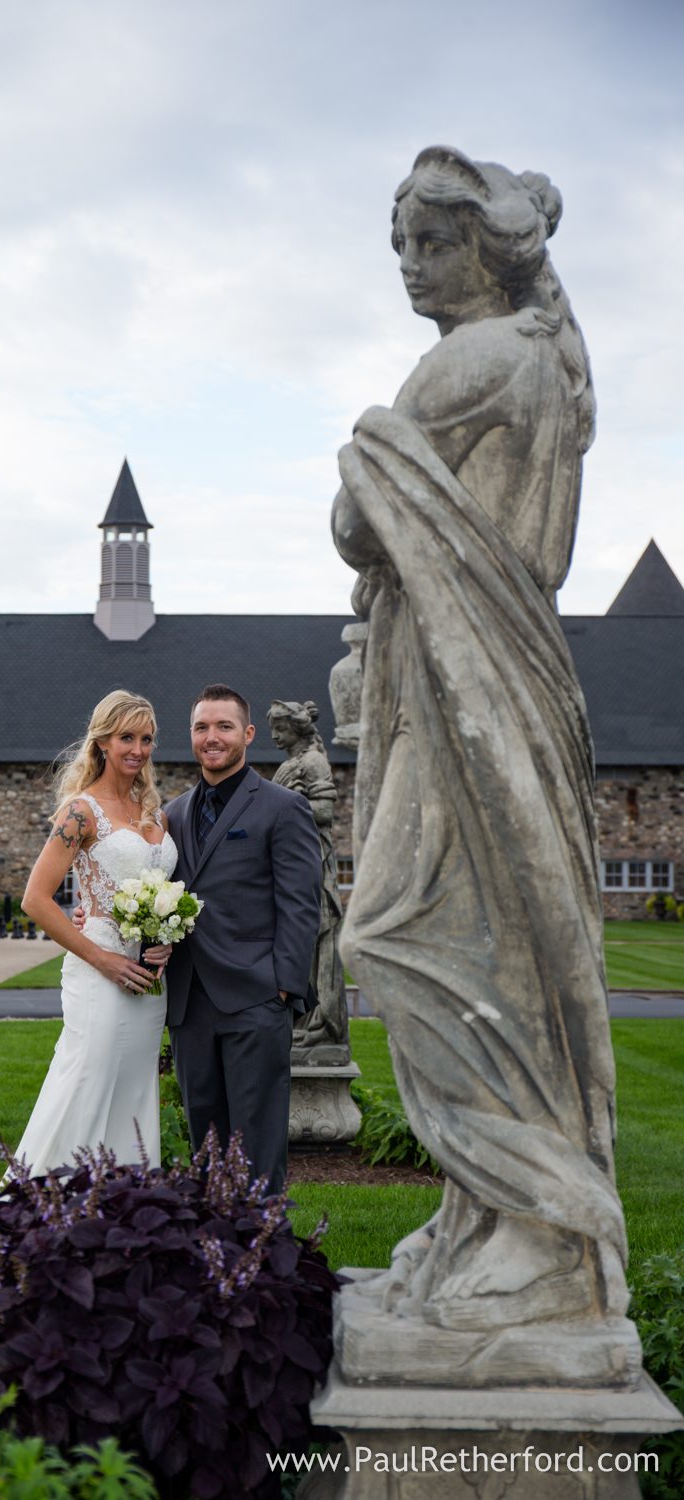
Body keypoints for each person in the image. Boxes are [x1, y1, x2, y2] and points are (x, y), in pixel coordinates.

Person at [332, 146, 629, 1331]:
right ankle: (489, 1218)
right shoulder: (546, 356)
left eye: (430, 242)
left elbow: (358, 522)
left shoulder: (474, 359)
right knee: (493, 938)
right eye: (398, 245)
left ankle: (540, 1221)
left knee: (401, 932)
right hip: (498, 668)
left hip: (471, 683)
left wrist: (366, 445)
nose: (409, 265)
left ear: (487, 247)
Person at [6, 690, 175, 1177]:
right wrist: (102, 958)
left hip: (147, 981)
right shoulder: (80, 812)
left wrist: (163, 936)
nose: (137, 750)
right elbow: (35, 899)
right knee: (86, 1083)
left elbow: (158, 892)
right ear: (102, 742)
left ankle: (124, 1211)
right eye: (126, 737)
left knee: (134, 1091)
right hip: (99, 971)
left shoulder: (153, 813)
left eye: (146, 739)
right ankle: (45, 1207)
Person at [164, 684, 321, 1195]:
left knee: (256, 1148)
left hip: (256, 1000)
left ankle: (261, 1258)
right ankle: (212, 1259)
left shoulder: (283, 807)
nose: (212, 737)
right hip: (190, 1005)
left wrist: (283, 989)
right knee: (204, 1148)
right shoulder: (174, 813)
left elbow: (301, 904)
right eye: (202, 727)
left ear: (248, 734)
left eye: (224, 726)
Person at [267, 698, 347, 1060]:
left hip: (315, 866)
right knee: (301, 942)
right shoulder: (291, 764)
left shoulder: (313, 762)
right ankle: (303, 1022)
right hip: (294, 866)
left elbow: (326, 811)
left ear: (295, 728)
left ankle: (321, 1024)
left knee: (316, 944)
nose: (274, 736)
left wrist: (288, 803)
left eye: (279, 729)